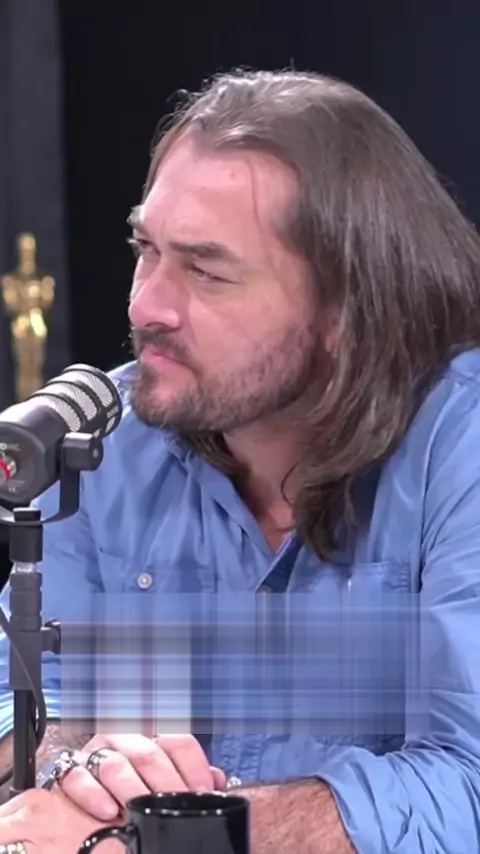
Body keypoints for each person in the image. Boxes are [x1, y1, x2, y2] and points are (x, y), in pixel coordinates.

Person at [0, 66, 480, 853]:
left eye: (206, 271)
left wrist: (161, 835)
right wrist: (73, 764)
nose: (145, 305)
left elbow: (469, 786)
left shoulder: (462, 446)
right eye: (145, 249)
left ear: (345, 307)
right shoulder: (104, 438)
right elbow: (19, 696)